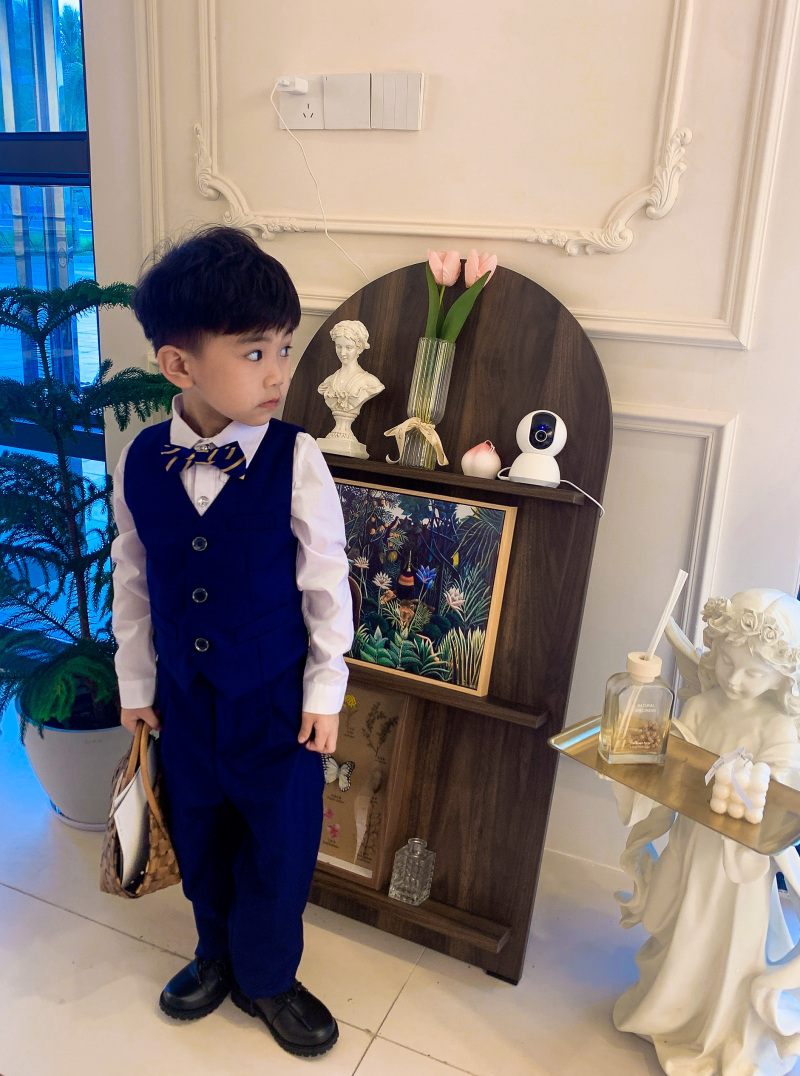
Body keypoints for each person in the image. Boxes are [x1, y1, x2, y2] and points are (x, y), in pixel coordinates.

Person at [110, 225, 353, 1058]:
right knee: (201, 832)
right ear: (179, 364)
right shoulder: (141, 460)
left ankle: (269, 976)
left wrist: (326, 692)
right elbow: (134, 578)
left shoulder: (297, 458)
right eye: (254, 353)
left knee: (278, 847)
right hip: (184, 700)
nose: (279, 372)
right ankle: (214, 952)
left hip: (274, 704)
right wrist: (136, 685)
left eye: (284, 347)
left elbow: (327, 584)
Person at [613, 590, 800, 1076]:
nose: (734, 680)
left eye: (753, 673)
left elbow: (779, 798)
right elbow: (671, 761)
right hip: (693, 842)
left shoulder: (781, 727)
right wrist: (638, 734)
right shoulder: (702, 706)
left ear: (783, 677)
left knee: (728, 943)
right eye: (728, 663)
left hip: (738, 867)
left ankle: (720, 1026)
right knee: (684, 928)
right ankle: (671, 1009)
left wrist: (749, 783)